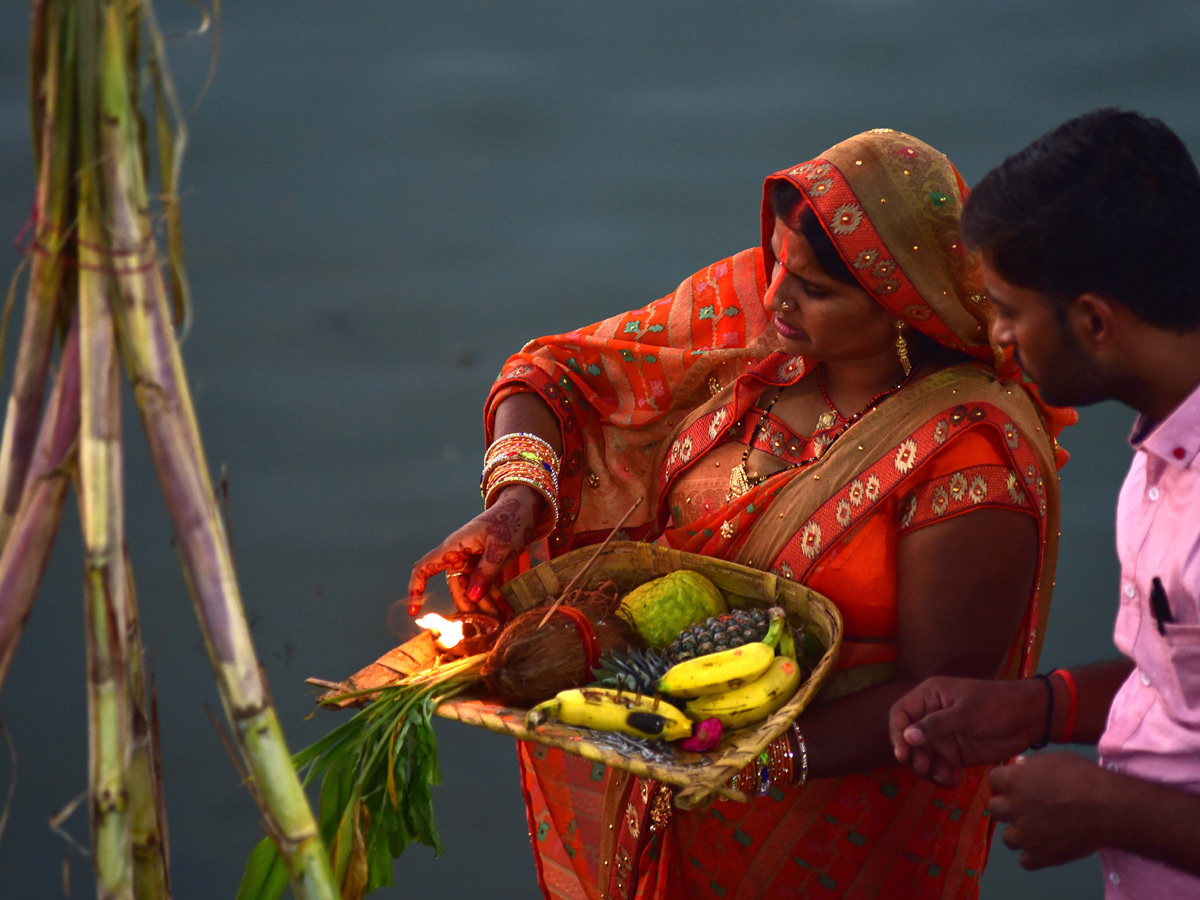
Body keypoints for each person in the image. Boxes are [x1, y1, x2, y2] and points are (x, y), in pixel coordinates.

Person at [411, 128, 1075, 899]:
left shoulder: (969, 463)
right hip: (675, 766)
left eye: (814, 289)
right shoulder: (759, 317)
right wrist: (519, 500)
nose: (775, 297)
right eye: (776, 262)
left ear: (902, 304)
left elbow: (945, 698)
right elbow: (553, 375)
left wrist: (752, 758)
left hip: (833, 832)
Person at [888, 109, 1200, 899]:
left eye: (1006, 308)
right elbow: (1179, 689)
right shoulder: (1165, 448)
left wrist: (1112, 809)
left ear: (1095, 321)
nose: (995, 335)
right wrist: (1037, 709)